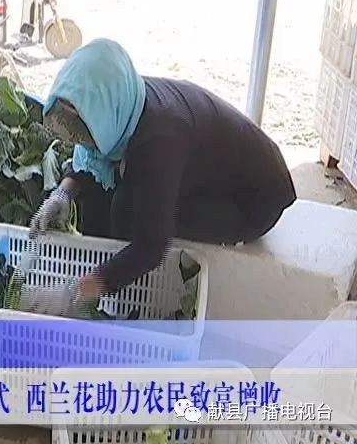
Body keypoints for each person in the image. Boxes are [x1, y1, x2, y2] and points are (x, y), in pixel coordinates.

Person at [30, 38, 297, 305]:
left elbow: (151, 247)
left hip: (252, 200)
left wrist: (78, 290)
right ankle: (108, 281)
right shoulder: (123, 97)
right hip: (206, 167)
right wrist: (64, 191)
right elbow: (91, 155)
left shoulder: (160, 141)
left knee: (127, 212)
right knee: (104, 197)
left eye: (84, 126)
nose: (80, 138)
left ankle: (127, 301)